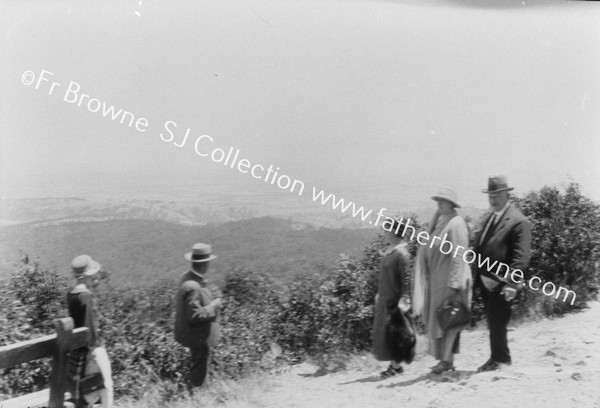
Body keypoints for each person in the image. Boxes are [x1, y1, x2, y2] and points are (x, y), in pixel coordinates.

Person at [474, 176, 531, 372]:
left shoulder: (518, 220)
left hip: (502, 282)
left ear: (508, 194)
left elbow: (521, 258)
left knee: (498, 322)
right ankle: (496, 357)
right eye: (491, 195)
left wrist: (511, 284)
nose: (493, 199)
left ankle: (501, 360)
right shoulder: (492, 217)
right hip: (485, 281)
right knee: (493, 321)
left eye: (497, 195)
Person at [412, 187, 472, 374]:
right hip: (439, 281)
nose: (439, 203)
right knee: (442, 321)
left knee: (449, 319)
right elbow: (426, 241)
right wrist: (436, 214)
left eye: (443, 200)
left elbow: (459, 255)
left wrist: (454, 286)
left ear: (452, 204)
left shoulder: (456, 223)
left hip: (450, 281)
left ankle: (447, 361)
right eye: (438, 200)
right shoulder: (441, 221)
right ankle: (445, 360)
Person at [174, 243, 222, 391]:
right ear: (205, 264)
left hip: (195, 335)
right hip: (198, 337)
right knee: (199, 369)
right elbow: (194, 314)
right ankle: (195, 396)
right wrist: (212, 307)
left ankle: (197, 393)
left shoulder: (187, 278)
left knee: (199, 366)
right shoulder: (193, 286)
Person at [67, 255, 113, 408]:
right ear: (88, 275)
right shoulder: (86, 296)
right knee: (106, 385)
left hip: (77, 352)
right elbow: (89, 329)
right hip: (90, 350)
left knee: (92, 390)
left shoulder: (71, 295)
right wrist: (94, 353)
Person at [372, 218, 412, 378]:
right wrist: (379, 293)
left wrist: (405, 298)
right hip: (385, 297)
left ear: (395, 232)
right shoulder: (392, 250)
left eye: (387, 230)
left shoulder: (402, 253)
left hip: (395, 299)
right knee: (385, 332)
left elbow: (406, 278)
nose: (385, 233)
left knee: (394, 332)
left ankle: (396, 367)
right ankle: (394, 365)